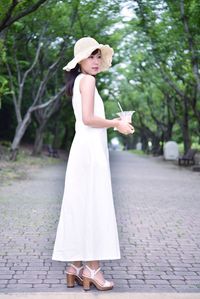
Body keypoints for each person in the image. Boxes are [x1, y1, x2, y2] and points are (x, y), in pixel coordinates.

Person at [52, 37, 134, 291]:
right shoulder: (87, 80)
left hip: (83, 150)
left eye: (99, 57)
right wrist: (116, 123)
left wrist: (110, 122)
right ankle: (93, 269)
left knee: (81, 205)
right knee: (94, 205)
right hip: (90, 153)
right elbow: (88, 119)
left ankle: (75, 267)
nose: (96, 61)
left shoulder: (78, 81)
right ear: (80, 61)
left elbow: (85, 119)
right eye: (91, 56)